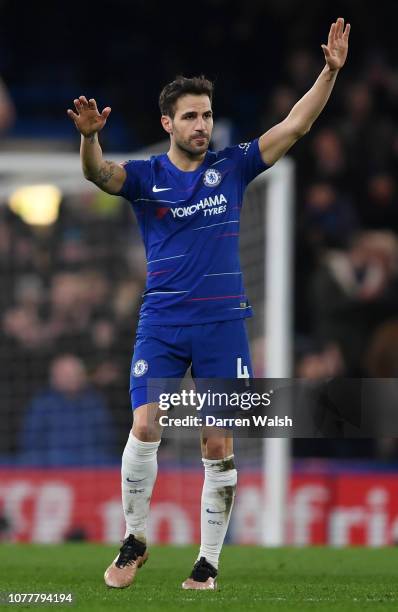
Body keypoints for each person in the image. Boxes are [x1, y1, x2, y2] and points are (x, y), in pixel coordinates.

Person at [67, 17, 350, 590]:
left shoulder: (233, 166)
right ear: (168, 122)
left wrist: (329, 72)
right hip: (163, 323)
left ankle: (208, 563)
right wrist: (89, 136)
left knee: (216, 441)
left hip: (224, 325)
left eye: (207, 114)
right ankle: (135, 539)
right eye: (190, 116)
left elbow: (294, 126)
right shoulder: (147, 176)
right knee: (144, 425)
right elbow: (98, 174)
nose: (202, 125)